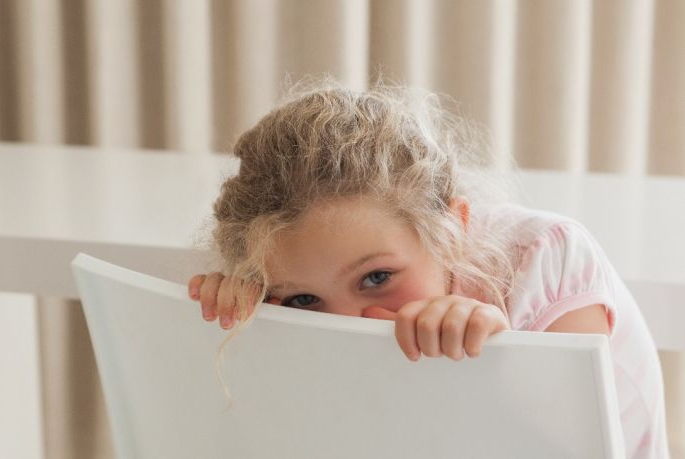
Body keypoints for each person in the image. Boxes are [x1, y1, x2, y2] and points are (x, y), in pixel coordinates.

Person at [186, 82, 669, 458]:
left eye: (376, 278)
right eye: (304, 300)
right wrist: (245, 330)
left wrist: (490, 364)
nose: (349, 325)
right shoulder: (288, 289)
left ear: (453, 229)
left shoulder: (550, 260)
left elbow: (570, 449)